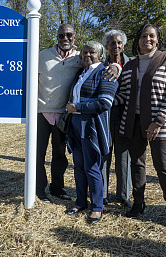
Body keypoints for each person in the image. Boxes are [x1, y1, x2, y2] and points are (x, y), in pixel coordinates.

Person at [115, 24, 166, 232]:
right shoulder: (130, 66)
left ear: (157, 39)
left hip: (161, 124)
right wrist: (103, 100)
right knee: (137, 164)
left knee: (163, 166)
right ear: (138, 40)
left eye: (152, 36)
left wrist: (158, 121)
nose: (148, 39)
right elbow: (123, 95)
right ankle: (138, 203)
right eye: (143, 36)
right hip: (134, 123)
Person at [65, 41, 118, 224]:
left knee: (92, 167)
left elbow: (105, 103)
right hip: (76, 124)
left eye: (92, 52)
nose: (87, 55)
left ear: (100, 55)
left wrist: (77, 107)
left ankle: (97, 207)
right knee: (78, 166)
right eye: (85, 52)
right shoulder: (81, 73)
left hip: (92, 126)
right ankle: (80, 201)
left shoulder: (105, 72)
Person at [36, 23, 80, 202]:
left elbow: (98, 65)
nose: (65, 39)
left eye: (69, 35)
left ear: (74, 37)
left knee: (60, 154)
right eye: (61, 35)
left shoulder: (80, 57)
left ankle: (57, 188)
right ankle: (38, 188)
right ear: (57, 37)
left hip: (64, 115)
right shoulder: (43, 56)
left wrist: (116, 67)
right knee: (37, 154)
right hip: (41, 111)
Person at [101, 30, 132, 207]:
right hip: (105, 116)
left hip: (125, 115)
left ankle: (123, 195)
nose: (116, 46)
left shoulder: (131, 64)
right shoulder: (100, 64)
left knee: (123, 157)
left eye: (119, 43)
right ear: (106, 46)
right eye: (112, 43)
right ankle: (102, 194)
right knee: (104, 154)